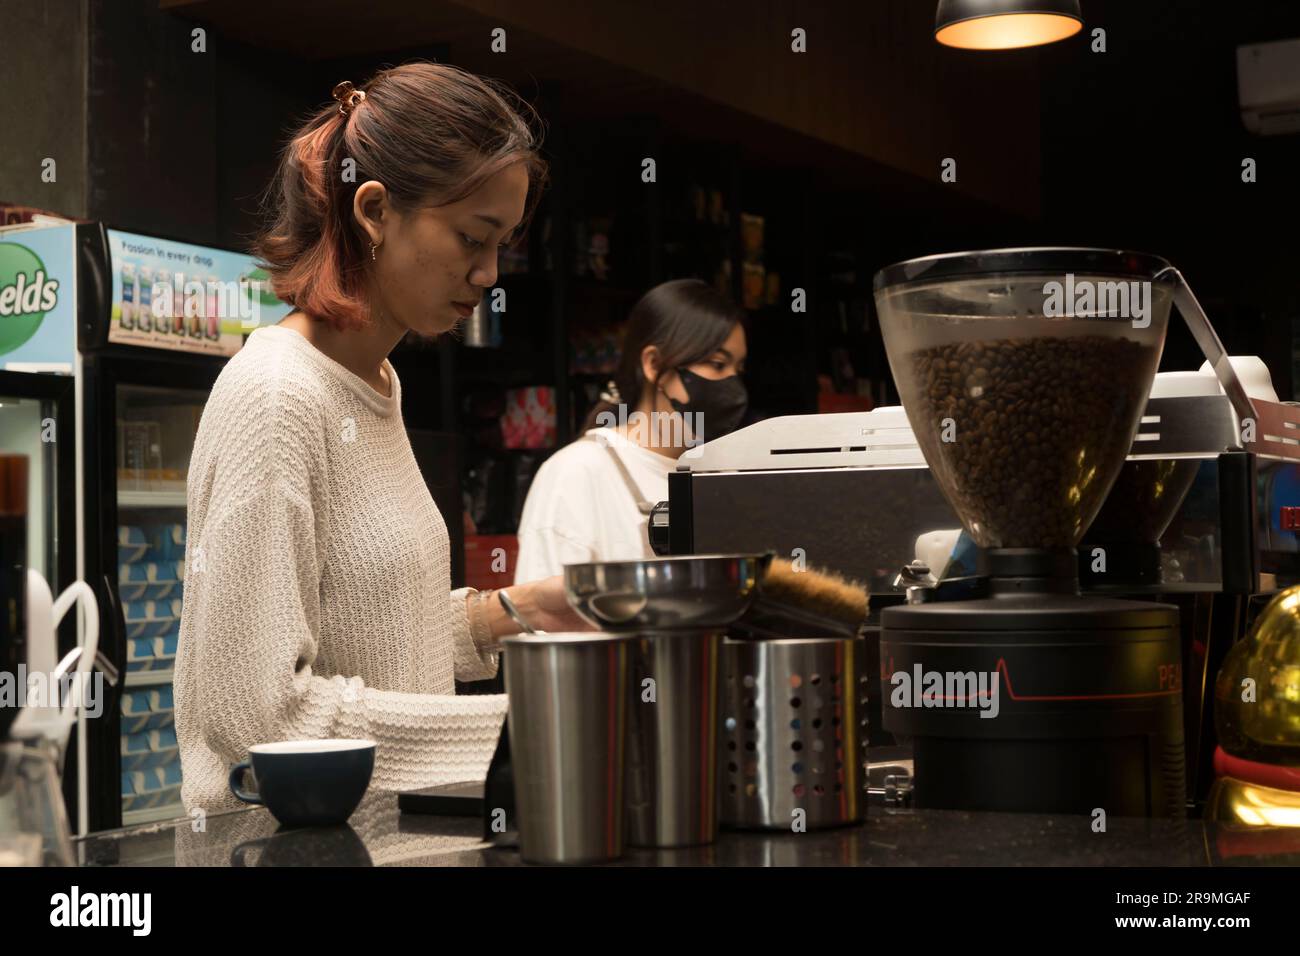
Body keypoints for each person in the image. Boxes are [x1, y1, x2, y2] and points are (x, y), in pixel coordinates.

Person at [174, 64, 588, 814]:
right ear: (373, 210)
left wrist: (514, 611)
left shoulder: (377, 383)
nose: (490, 273)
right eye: (473, 237)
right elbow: (258, 713)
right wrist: (515, 730)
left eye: (503, 244)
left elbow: (369, 626)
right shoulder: (277, 395)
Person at [513, 279, 748, 583]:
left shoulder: (726, 476)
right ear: (654, 364)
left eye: (739, 370)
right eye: (717, 364)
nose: (734, 386)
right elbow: (542, 620)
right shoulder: (576, 473)